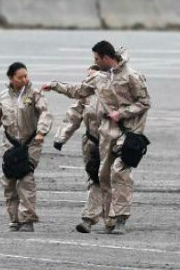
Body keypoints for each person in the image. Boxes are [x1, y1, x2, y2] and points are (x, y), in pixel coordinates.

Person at [42, 41, 150, 235]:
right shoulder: (99, 78)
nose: (95, 62)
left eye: (97, 59)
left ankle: (121, 219)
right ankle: (108, 218)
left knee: (120, 172)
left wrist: (122, 113)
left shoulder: (132, 76)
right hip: (106, 133)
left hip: (129, 133)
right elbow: (79, 91)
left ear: (107, 57)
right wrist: (55, 86)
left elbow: (144, 103)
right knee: (103, 175)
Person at [0, 62, 53, 232]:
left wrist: (41, 132)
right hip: (10, 145)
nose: (25, 79)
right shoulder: (2, 97)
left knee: (25, 179)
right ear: (11, 78)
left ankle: (27, 219)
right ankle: (14, 218)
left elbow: (45, 114)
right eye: (20, 77)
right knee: (9, 181)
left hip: (30, 144)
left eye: (26, 76)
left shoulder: (34, 95)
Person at [53, 64, 104, 234]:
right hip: (91, 142)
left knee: (114, 179)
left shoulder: (114, 95)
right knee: (95, 177)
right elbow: (73, 117)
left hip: (112, 142)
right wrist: (61, 138)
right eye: (87, 77)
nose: (88, 80)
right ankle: (91, 217)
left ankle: (111, 218)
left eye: (91, 77)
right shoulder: (85, 97)